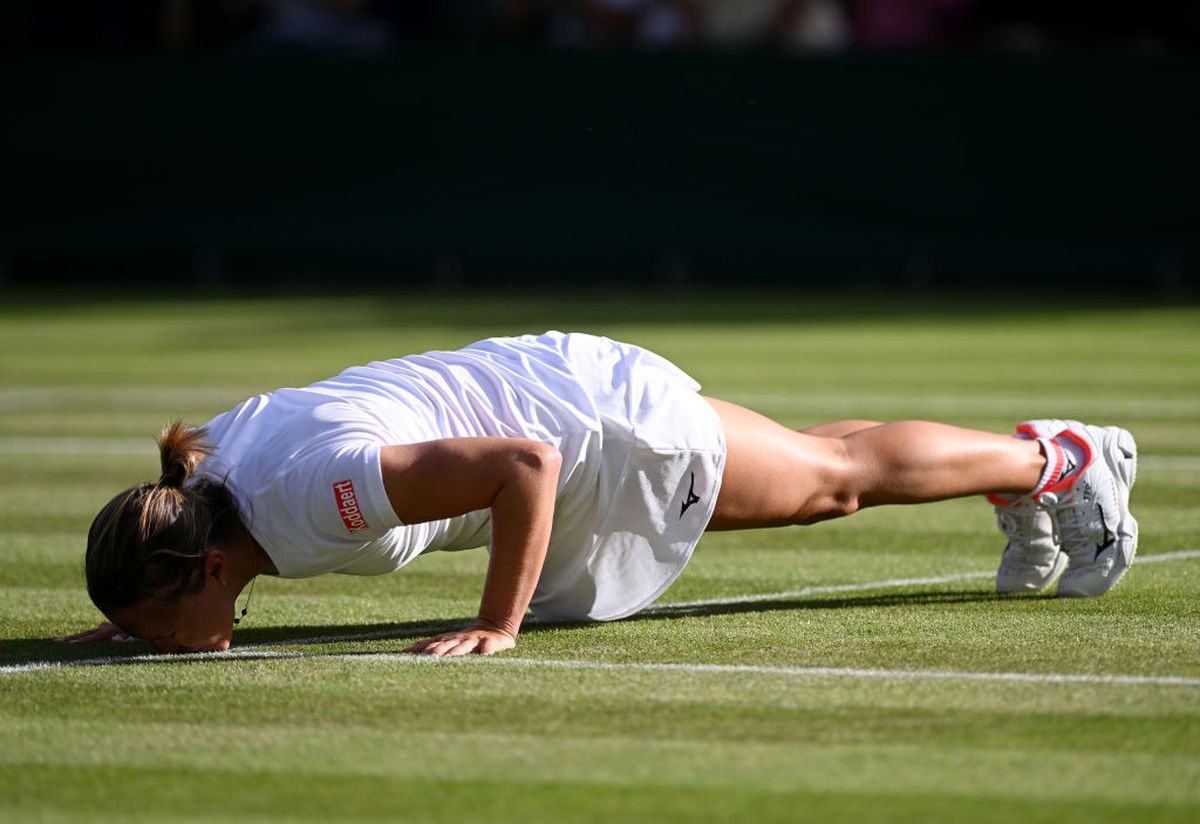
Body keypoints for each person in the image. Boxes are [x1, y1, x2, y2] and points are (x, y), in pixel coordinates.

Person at [57, 331, 1138, 657]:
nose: (151, 643)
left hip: (594, 432)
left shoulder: (306, 496)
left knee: (830, 488)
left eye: (156, 622)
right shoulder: (206, 478)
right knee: (820, 459)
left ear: (207, 569)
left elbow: (521, 466)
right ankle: (1029, 459)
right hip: (564, 380)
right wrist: (133, 614)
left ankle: (1063, 463)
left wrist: (497, 623)